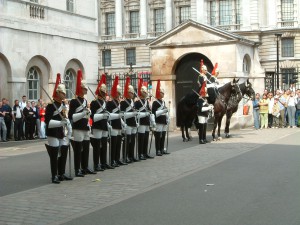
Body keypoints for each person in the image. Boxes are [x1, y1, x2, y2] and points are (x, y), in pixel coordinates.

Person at [45, 74, 73, 183]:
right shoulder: (51, 106)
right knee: (55, 154)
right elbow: (48, 121)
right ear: (57, 93)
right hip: (52, 132)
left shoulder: (63, 105)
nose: (64, 94)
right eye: (62, 92)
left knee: (63, 152)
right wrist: (60, 122)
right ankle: (54, 175)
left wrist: (67, 125)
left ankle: (61, 173)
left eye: (64, 93)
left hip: (61, 131)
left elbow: (65, 118)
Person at [69, 69, 96, 177]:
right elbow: (71, 116)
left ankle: (84, 167)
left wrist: (87, 117)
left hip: (85, 127)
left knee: (86, 149)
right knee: (78, 149)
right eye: (84, 89)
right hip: (78, 128)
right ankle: (77, 169)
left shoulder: (84, 101)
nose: (86, 91)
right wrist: (83, 113)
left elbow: (86, 115)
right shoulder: (74, 101)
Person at [90, 74, 113, 171]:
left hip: (104, 125)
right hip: (97, 126)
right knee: (97, 146)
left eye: (105, 92)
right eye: (103, 92)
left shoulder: (105, 103)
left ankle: (103, 162)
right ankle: (96, 164)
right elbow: (93, 116)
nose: (104, 94)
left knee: (104, 145)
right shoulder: (94, 102)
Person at [135, 78, 154, 159]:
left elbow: (150, 111)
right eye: (144, 92)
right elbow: (136, 113)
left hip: (146, 122)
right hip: (141, 122)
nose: (146, 93)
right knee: (141, 138)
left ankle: (145, 153)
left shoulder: (146, 102)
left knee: (146, 138)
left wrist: (152, 121)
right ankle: (140, 154)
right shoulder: (137, 102)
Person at [106, 76, 123, 167]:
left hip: (118, 124)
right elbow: (108, 115)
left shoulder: (118, 103)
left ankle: (117, 159)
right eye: (118, 93)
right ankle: (112, 160)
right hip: (113, 125)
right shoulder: (110, 103)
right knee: (113, 144)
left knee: (118, 143)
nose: (119, 94)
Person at [120, 77, 138, 163]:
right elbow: (123, 115)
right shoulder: (123, 102)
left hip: (133, 123)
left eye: (132, 93)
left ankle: (131, 156)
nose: (132, 94)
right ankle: (125, 156)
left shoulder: (132, 101)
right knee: (127, 141)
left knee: (132, 141)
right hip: (127, 123)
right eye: (131, 93)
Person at [152, 80, 170, 156]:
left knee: (163, 135)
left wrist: (167, 117)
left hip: (163, 121)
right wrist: (163, 111)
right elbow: (154, 113)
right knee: (158, 136)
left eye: (163, 93)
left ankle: (162, 149)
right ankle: (158, 150)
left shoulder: (163, 102)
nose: (163, 94)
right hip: (158, 121)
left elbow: (165, 112)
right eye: (162, 93)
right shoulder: (155, 102)